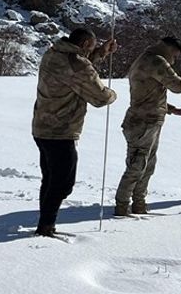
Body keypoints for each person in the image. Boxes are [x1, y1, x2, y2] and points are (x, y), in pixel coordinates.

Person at [30, 28, 117, 237]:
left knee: (50, 178)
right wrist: (113, 94)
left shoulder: (53, 52)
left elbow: (75, 68)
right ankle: (45, 226)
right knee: (63, 182)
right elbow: (100, 97)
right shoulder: (77, 63)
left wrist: (101, 53)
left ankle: (46, 221)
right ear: (86, 43)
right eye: (93, 46)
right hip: (61, 130)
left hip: (41, 126)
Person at [114, 36, 181, 216]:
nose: (174, 60)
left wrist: (172, 109)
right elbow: (178, 86)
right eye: (175, 54)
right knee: (138, 164)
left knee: (147, 163)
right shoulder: (156, 61)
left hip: (143, 119)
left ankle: (138, 203)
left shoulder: (145, 57)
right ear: (169, 48)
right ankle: (122, 205)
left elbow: (149, 94)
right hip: (144, 122)